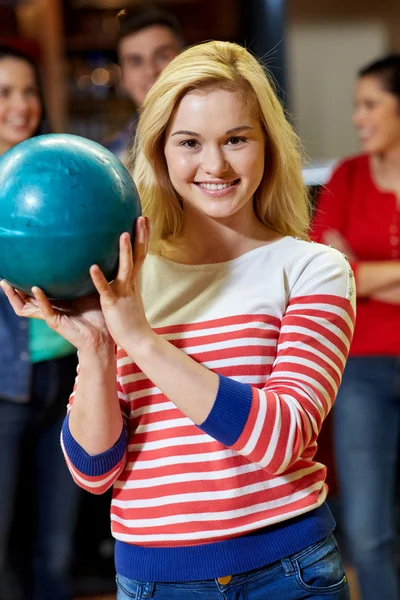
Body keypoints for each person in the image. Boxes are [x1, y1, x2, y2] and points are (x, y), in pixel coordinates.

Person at [2, 41, 355, 599]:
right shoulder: (129, 277)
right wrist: (97, 350)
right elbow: (94, 471)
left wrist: (139, 338)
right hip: (153, 581)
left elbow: (280, 438)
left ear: (268, 146)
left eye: (236, 139)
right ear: (161, 150)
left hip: (289, 574)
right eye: (189, 142)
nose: (214, 165)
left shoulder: (312, 269)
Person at [312, 54, 400, 600]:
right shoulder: (345, 177)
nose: (358, 117)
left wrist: (365, 274)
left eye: (370, 105)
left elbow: (353, 271)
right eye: (356, 105)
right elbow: (330, 275)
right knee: (367, 534)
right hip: (362, 367)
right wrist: (353, 274)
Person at [0, 46, 80, 600]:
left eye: (29, 91)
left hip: (65, 374)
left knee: (56, 547)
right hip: (3, 385)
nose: (22, 105)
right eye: (4, 93)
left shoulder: (63, 173)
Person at [103, 4, 184, 160]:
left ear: (184, 60)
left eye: (162, 56)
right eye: (136, 62)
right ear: (123, 79)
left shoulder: (216, 138)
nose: (150, 71)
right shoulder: (109, 161)